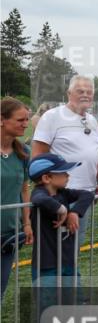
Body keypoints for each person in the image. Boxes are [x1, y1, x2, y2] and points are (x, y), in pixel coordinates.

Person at [31, 76, 98, 251]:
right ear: (69, 93)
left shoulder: (93, 120)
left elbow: (94, 154)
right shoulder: (52, 116)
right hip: (61, 197)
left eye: (89, 92)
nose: (86, 95)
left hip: (84, 197)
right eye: (80, 91)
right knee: (55, 252)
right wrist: (50, 194)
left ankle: (70, 278)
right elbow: (38, 158)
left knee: (73, 250)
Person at [28, 153, 95, 297]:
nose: (67, 176)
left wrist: (75, 212)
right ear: (47, 178)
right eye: (63, 172)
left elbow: (88, 194)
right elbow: (39, 199)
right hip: (46, 265)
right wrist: (62, 209)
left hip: (67, 261)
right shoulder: (39, 193)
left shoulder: (63, 193)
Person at [2, 98, 34, 297]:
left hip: (8, 235)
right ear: (1, 120)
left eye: (27, 119)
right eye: (20, 120)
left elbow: (24, 189)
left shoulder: (24, 152)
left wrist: (27, 224)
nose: (25, 124)